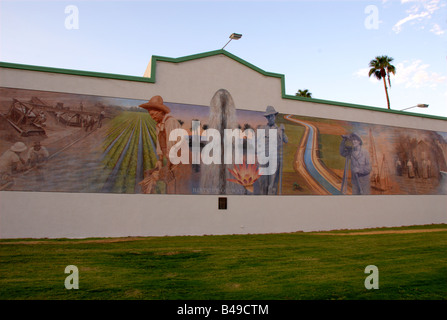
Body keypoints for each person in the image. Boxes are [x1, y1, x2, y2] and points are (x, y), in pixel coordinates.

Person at [139, 95, 187, 194]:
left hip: (180, 160)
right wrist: (160, 160)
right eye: (150, 115)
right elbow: (159, 144)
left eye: (153, 115)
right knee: (169, 184)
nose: (152, 118)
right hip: (172, 160)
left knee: (176, 185)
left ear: (160, 112)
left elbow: (172, 147)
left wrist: (167, 167)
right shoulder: (159, 125)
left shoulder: (170, 122)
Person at [256, 105, 288, 195]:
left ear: (275, 116)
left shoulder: (279, 130)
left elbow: (286, 140)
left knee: (272, 184)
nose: (270, 118)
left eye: (272, 116)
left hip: (274, 160)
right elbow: (256, 144)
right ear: (266, 118)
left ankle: (272, 203)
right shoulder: (262, 129)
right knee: (263, 183)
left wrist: (283, 131)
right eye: (268, 116)